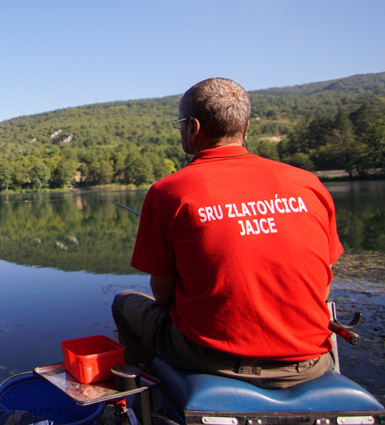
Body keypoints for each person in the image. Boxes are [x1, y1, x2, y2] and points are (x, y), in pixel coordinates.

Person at [112, 77, 343, 389]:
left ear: (192, 127)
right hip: (311, 363)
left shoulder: (169, 191)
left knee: (124, 303)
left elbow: (164, 297)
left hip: (211, 358)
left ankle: (150, 389)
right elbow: (324, 283)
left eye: (180, 124)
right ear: (244, 126)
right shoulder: (308, 184)